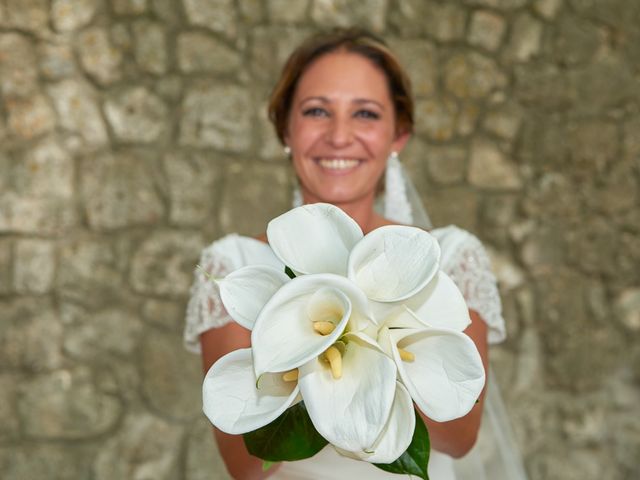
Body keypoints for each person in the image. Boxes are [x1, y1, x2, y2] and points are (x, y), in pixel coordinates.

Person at [185, 28, 523, 480]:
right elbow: (246, 464)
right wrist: (314, 355)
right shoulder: (234, 265)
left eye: (365, 113)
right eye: (316, 111)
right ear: (286, 126)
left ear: (398, 134)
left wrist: (370, 356)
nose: (339, 136)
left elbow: (460, 436)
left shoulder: (448, 256)